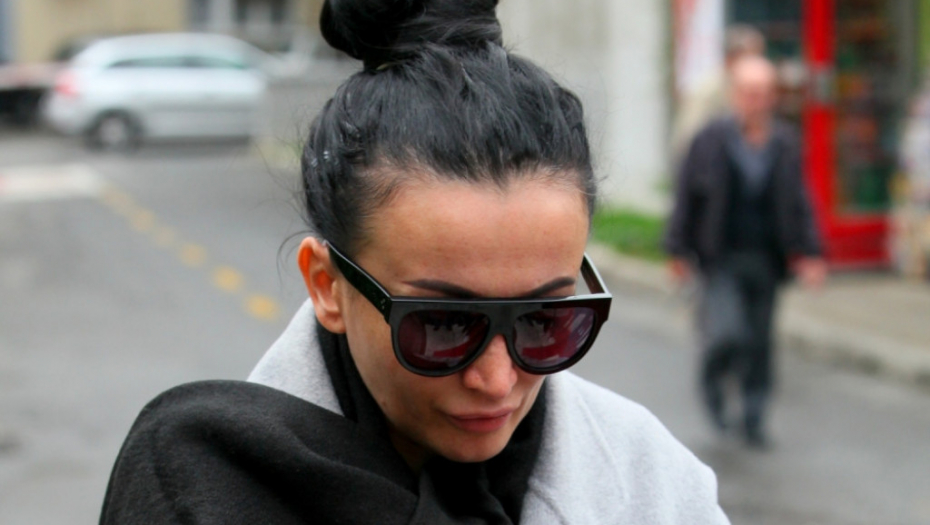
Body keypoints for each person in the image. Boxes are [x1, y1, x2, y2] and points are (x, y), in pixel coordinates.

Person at [99, 1, 730, 523]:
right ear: (327, 285)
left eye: (546, 319)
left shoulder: (655, 485)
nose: (497, 380)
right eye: (443, 324)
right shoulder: (200, 490)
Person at [665, 55, 826, 448]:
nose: (757, 100)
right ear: (734, 94)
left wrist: (810, 252)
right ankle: (714, 387)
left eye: (764, 92)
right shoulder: (709, 140)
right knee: (727, 333)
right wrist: (677, 250)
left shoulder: (784, 142)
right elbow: (686, 197)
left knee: (760, 342)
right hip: (720, 257)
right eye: (749, 92)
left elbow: (799, 199)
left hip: (767, 258)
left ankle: (754, 415)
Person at [671, 24, 766, 158]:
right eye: (751, 59)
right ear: (730, 59)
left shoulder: (761, 91)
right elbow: (687, 139)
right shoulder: (707, 92)